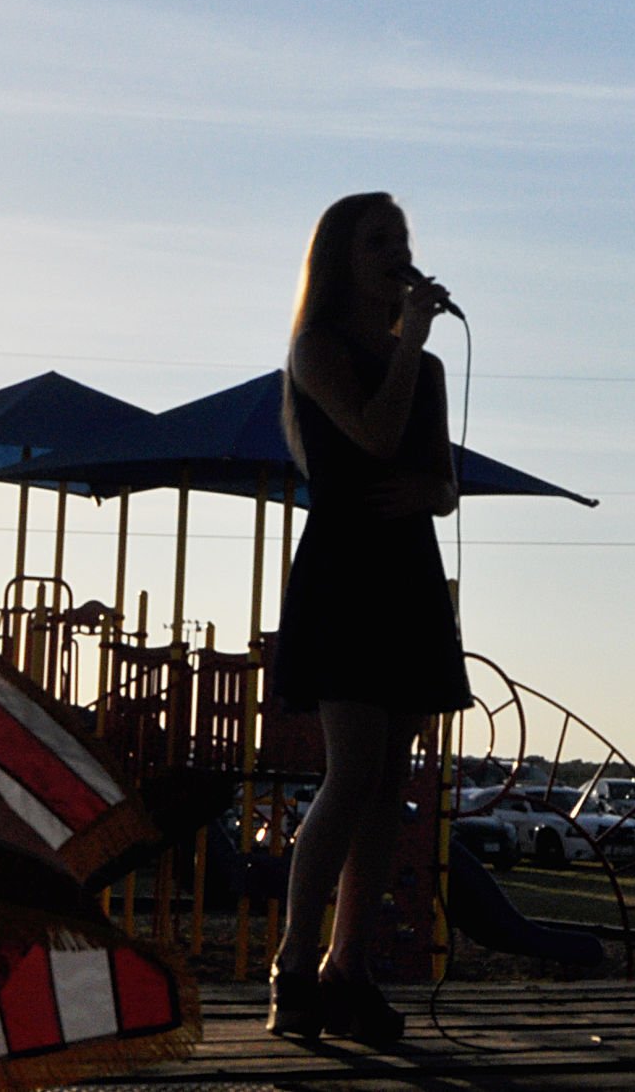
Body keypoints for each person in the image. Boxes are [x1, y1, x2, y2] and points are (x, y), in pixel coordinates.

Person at [268, 192, 472, 1044]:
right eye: (378, 240)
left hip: (405, 572)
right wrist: (412, 341)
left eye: (403, 239)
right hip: (348, 568)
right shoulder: (318, 349)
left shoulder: (421, 369)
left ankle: (347, 966)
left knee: (391, 781)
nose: (397, 253)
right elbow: (373, 438)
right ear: (341, 259)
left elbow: (438, 480)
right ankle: (291, 965)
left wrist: (438, 491)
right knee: (351, 772)